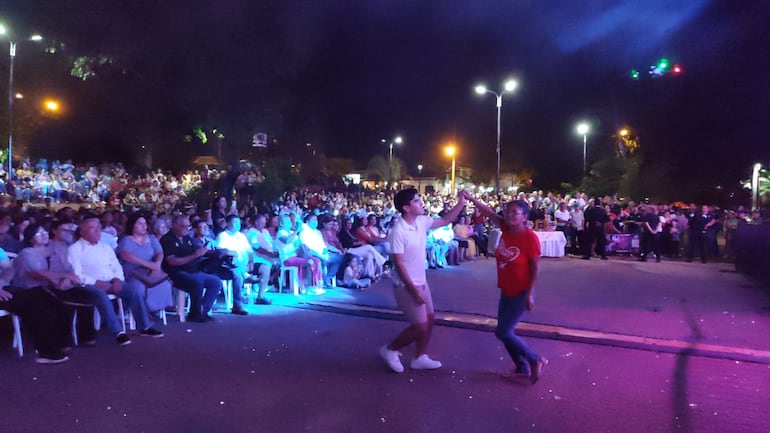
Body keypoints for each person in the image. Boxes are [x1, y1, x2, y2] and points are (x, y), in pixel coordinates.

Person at [379, 188, 467, 373]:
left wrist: (461, 202)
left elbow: (445, 220)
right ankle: (390, 349)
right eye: (417, 201)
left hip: (421, 281)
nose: (422, 203)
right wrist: (413, 289)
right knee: (420, 326)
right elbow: (399, 264)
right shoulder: (398, 230)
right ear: (406, 207)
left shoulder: (421, 221)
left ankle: (419, 357)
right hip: (405, 285)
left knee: (430, 319)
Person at [464, 192, 547, 384]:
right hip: (506, 289)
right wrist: (470, 199)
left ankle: (535, 359)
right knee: (503, 331)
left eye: (515, 213)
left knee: (503, 332)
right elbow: (489, 212)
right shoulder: (505, 228)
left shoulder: (529, 238)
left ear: (525, 217)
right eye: (507, 212)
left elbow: (535, 267)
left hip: (521, 292)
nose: (509, 216)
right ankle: (521, 367)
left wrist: (530, 294)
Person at [68, 214, 164, 345]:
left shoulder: (105, 247)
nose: (97, 231)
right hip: (88, 285)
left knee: (134, 290)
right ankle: (118, 331)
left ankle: (145, 326)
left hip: (112, 281)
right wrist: (96, 282)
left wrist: (117, 279)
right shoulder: (75, 249)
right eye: (92, 228)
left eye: (98, 227)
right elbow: (76, 274)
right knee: (100, 294)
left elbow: (117, 267)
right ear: (82, 231)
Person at [160, 214, 222, 322]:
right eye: (183, 226)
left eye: (187, 227)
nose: (186, 229)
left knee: (215, 281)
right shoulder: (167, 239)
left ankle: (203, 311)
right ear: (174, 225)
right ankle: (194, 314)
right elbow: (172, 261)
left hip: (194, 270)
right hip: (177, 273)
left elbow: (196, 252)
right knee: (197, 282)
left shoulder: (187, 238)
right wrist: (195, 255)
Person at [117, 213, 174, 314]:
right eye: (140, 224)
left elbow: (159, 252)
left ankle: (154, 309)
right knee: (138, 288)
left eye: (145, 224)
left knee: (165, 284)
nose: (144, 226)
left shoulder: (152, 238)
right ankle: (138, 313)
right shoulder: (126, 240)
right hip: (133, 272)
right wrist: (150, 265)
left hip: (150, 271)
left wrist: (157, 264)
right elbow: (126, 255)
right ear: (132, 225)